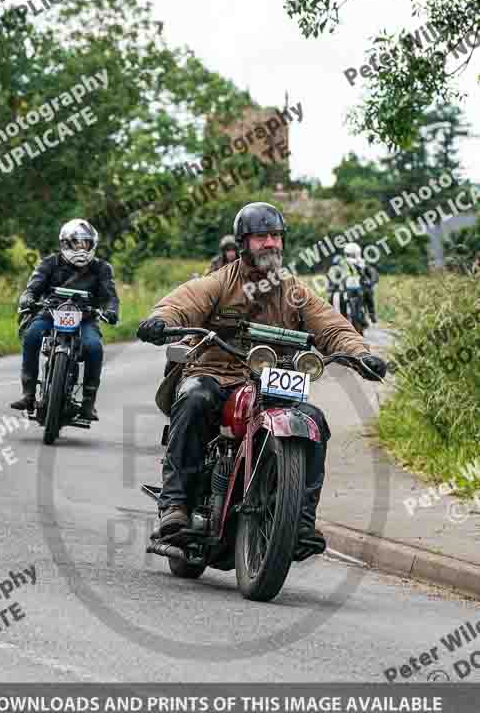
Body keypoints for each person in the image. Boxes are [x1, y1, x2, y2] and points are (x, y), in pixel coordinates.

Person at [137, 202, 386, 560]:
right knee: (194, 397)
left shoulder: (295, 291)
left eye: (276, 236)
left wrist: (360, 353)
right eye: (261, 237)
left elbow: (331, 324)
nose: (270, 243)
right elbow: (183, 302)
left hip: (273, 380)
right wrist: (161, 318)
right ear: (243, 242)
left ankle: (299, 522)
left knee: (313, 419)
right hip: (218, 372)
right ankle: (174, 504)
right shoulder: (221, 281)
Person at [11, 219, 119, 421]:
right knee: (32, 336)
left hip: (86, 318)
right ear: (64, 244)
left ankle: (88, 402)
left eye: (85, 244)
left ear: (93, 245)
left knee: (94, 347)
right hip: (50, 313)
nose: (81, 249)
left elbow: (110, 296)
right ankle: (28, 394)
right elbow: (33, 287)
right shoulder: (50, 263)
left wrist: (111, 310)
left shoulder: (102, 268)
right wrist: (28, 299)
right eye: (75, 243)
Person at [337, 243, 378, 324]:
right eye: (349, 254)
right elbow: (336, 274)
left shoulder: (363, 262)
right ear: (346, 254)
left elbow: (372, 272)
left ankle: (371, 313)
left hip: (361, 285)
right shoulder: (342, 263)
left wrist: (371, 281)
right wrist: (334, 282)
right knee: (339, 297)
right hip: (346, 286)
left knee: (369, 293)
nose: (351, 256)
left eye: (353, 254)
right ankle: (342, 318)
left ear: (358, 253)